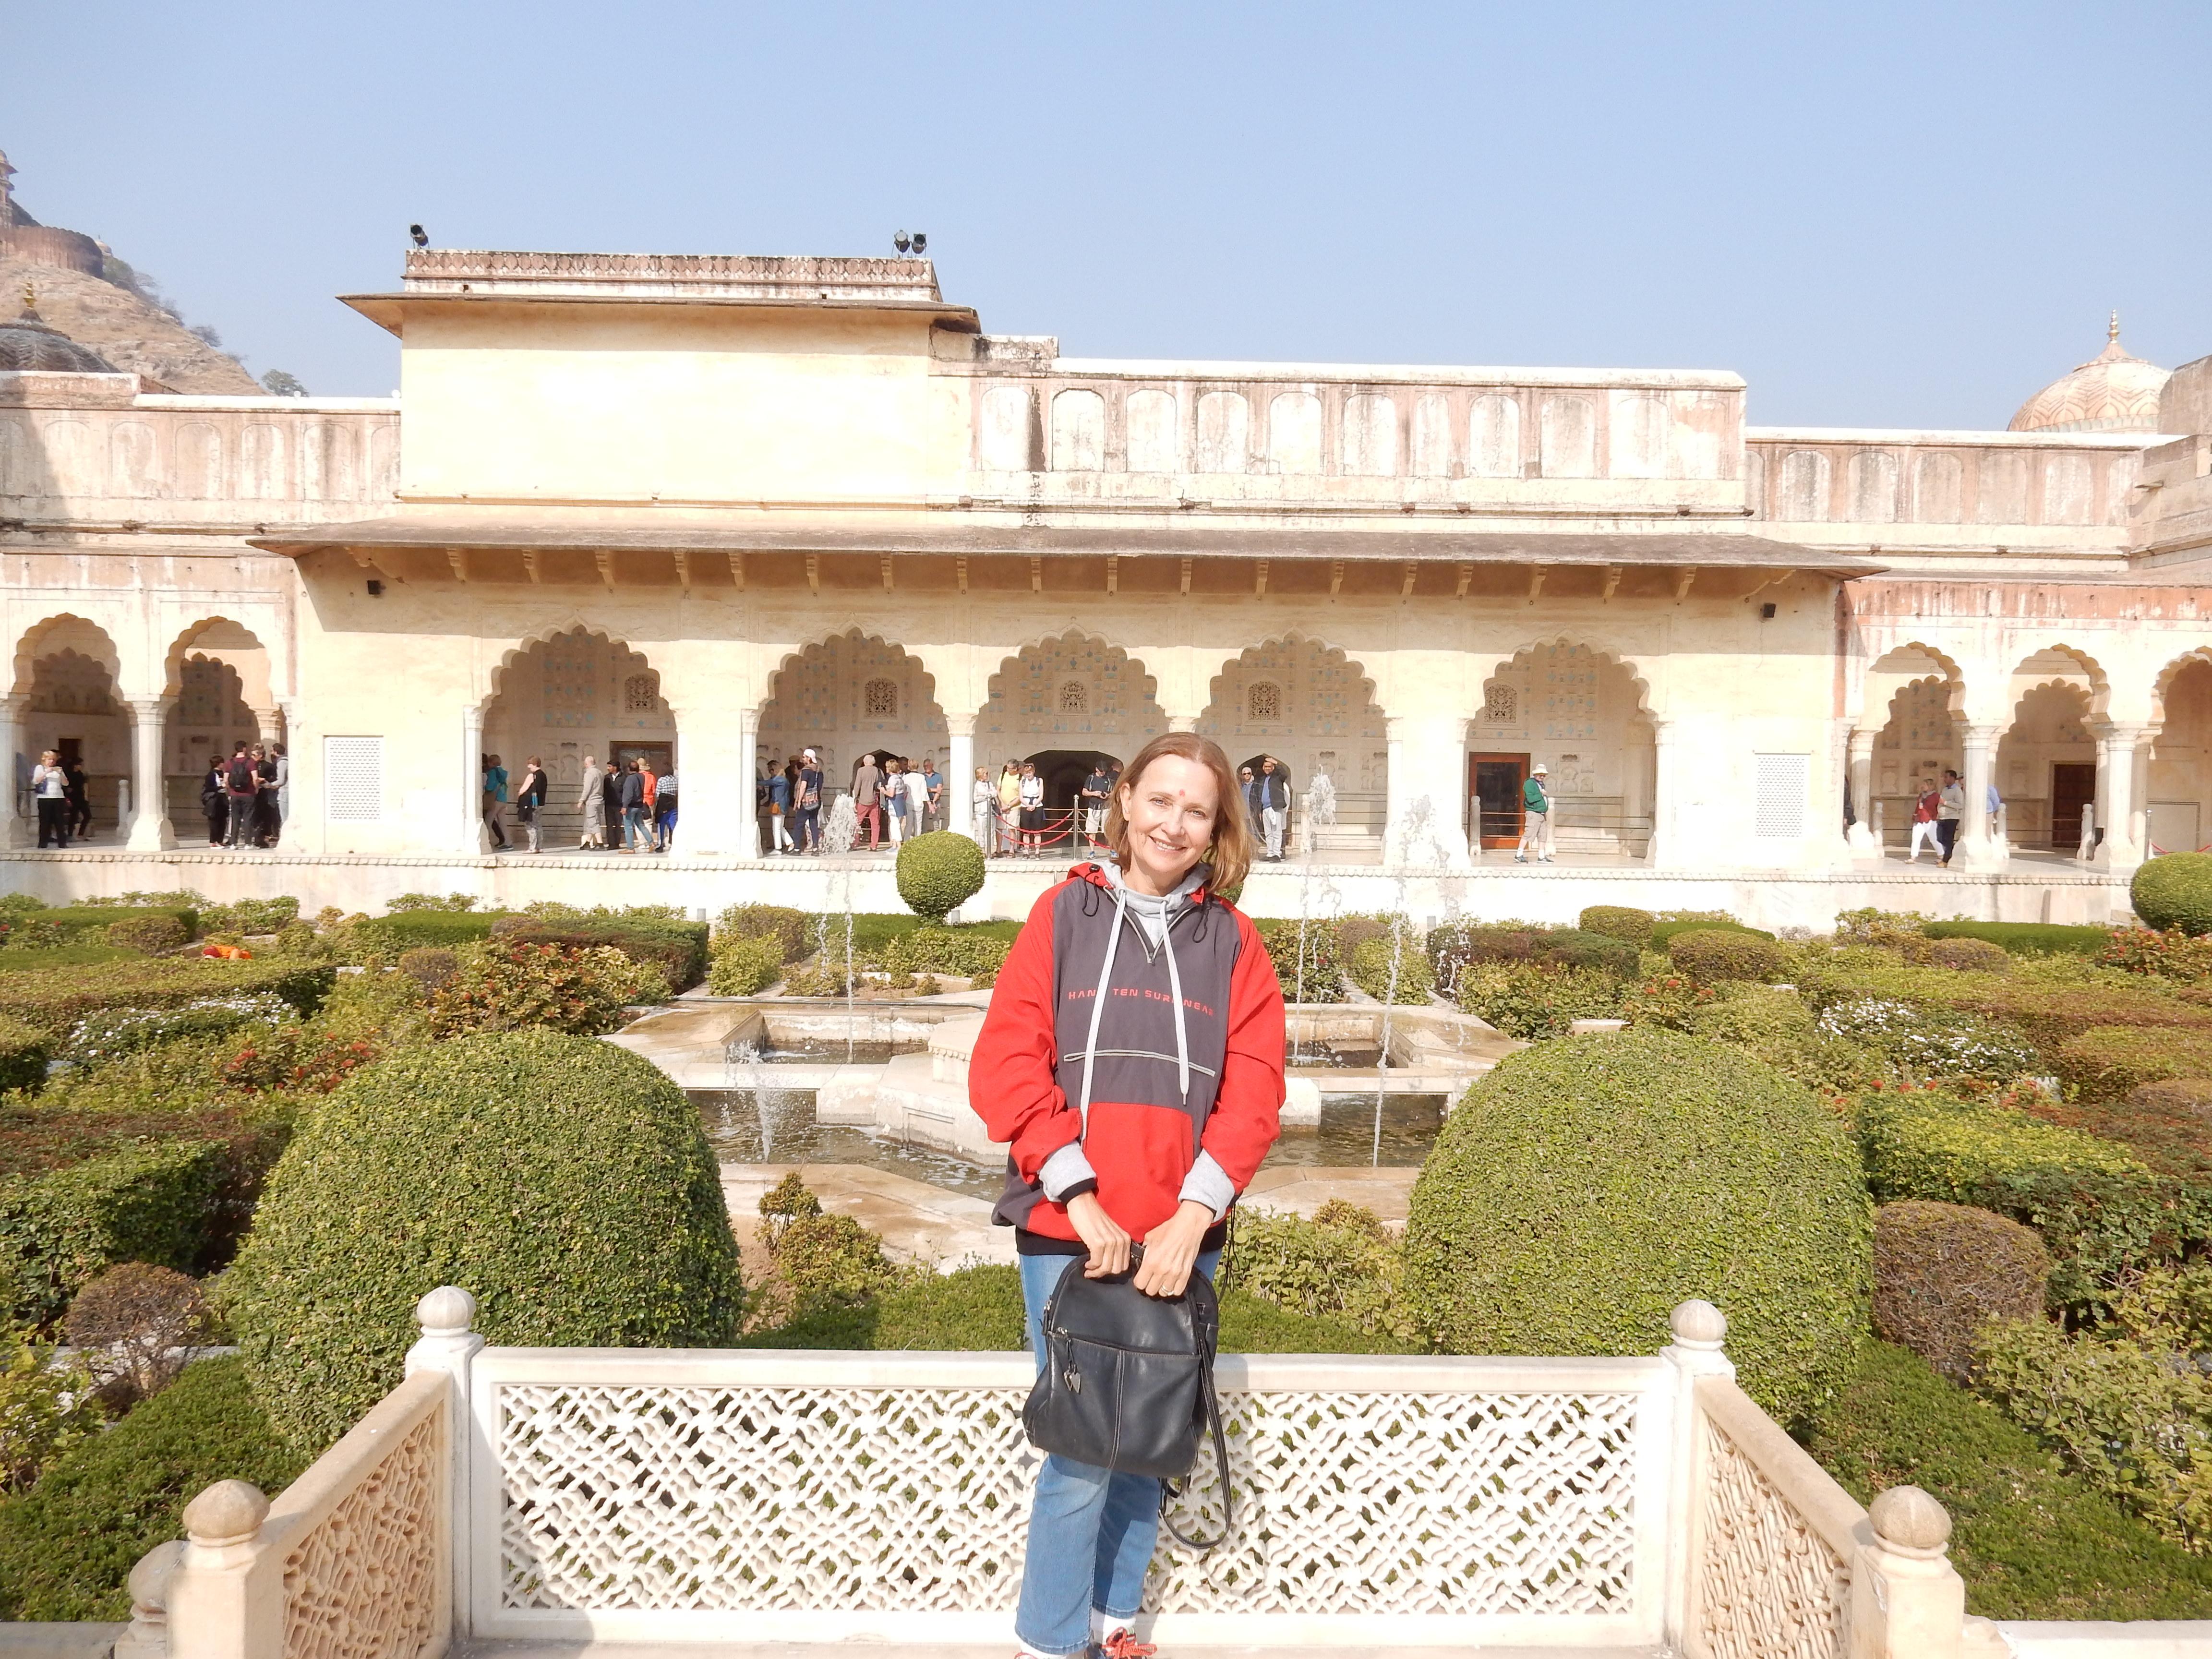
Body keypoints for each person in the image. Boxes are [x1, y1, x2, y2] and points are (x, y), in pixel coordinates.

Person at [967, 731, 1284, 1659]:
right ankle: (1046, 1642)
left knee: (1148, 1441)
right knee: (1078, 1452)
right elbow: (1007, 1062)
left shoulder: (1234, 943)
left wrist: (1191, 1215)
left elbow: (1253, 1091)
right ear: (1126, 802)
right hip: (1070, 1230)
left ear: (1217, 829)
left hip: (1180, 1237)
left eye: (1196, 811)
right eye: (1160, 800)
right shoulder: (1064, 915)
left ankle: (1113, 1628)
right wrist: (1076, 1195)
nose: (1173, 824)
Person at [31, 750, 69, 849]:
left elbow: (66, 783)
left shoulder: (58, 769)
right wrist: (47, 772)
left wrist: (61, 774)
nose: (51, 761)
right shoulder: (40, 768)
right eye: (49, 759)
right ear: (44, 759)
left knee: (60, 821)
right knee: (45, 821)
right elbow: (36, 781)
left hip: (58, 797)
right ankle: (43, 843)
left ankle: (62, 843)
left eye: (53, 759)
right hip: (45, 798)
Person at [1254, 756, 1290, 862]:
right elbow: (1259, 795)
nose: (1267, 768)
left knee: (1276, 832)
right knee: (1268, 833)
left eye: (1269, 767)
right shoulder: (1263, 780)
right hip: (1265, 809)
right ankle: (1270, 853)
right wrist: (1260, 810)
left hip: (1275, 808)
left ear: (1273, 768)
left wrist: (1276, 763)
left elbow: (1284, 774)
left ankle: (1277, 854)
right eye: (1266, 767)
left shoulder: (1277, 778)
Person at [224, 745, 259, 848]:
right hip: (248, 794)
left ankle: (233, 843)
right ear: (244, 749)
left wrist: (230, 791)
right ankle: (248, 843)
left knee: (235, 819)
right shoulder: (251, 762)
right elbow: (255, 778)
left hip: (234, 795)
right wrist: (256, 789)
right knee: (248, 818)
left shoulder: (229, 762)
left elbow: (226, 780)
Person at [1516, 764, 1551, 863]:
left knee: (1543, 835)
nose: (1542, 777)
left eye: (1544, 776)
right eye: (1541, 775)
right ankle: (1519, 854)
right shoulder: (1529, 783)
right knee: (1529, 834)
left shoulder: (1541, 784)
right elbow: (1530, 798)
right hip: (1534, 813)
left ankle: (1541, 856)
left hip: (1542, 814)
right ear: (1536, 774)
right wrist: (1541, 794)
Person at [792, 749, 823, 854]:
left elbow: (803, 786)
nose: (803, 759)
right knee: (814, 824)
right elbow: (820, 786)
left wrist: (799, 801)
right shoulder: (819, 770)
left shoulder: (806, 770)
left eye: (804, 757)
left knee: (799, 824)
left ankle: (797, 849)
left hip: (806, 801)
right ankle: (816, 848)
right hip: (816, 801)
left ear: (809, 758)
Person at [516, 756, 548, 854]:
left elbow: (523, 789)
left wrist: (520, 794)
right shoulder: (543, 775)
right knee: (538, 824)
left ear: (535, 764)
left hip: (532, 804)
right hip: (540, 803)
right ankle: (539, 847)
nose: (528, 767)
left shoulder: (532, 776)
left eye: (530, 764)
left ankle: (532, 847)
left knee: (530, 824)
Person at [1079, 759, 1113, 851]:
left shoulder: (1108, 779)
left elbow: (1114, 792)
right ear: (1097, 769)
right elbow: (1084, 792)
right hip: (1094, 807)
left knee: (1108, 830)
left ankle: (1112, 849)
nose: (1103, 773)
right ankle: (1092, 851)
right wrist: (1095, 793)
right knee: (1092, 830)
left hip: (1106, 807)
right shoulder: (1091, 778)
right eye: (1101, 771)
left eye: (1104, 771)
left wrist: (1108, 795)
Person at [1906, 778, 1940, 863]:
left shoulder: (1936, 796)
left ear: (1930, 786)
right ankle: (1913, 857)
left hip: (1930, 820)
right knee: (1916, 839)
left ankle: (1941, 855)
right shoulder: (1922, 796)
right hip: (1919, 820)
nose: (1923, 786)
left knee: (1934, 839)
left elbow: (1937, 808)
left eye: (1925, 785)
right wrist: (1915, 815)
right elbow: (1918, 807)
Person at [853, 752, 883, 849]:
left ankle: (855, 843)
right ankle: (874, 845)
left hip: (863, 800)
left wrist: (854, 800)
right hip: (874, 800)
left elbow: (857, 786)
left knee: (857, 822)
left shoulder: (861, 771)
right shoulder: (878, 771)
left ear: (865, 762)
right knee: (875, 823)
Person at [1936, 769, 1965, 866]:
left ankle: (1946, 860)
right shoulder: (1945, 789)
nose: (1945, 779)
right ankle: (1952, 851)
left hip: (1952, 818)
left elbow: (1960, 805)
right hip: (1942, 818)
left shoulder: (1957, 790)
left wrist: (1946, 803)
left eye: (1946, 777)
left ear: (1952, 778)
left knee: (1948, 839)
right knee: (1940, 838)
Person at [619, 759, 648, 851]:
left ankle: (630, 848)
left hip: (631, 806)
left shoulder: (630, 779)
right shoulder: (642, 777)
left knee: (628, 827)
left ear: (629, 769)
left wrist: (625, 806)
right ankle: (651, 843)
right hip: (639, 805)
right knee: (641, 825)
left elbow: (629, 794)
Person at [577, 755, 606, 849]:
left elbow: (587, 789)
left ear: (586, 764)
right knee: (592, 821)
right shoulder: (600, 773)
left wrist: (581, 800)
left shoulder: (589, 774)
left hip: (592, 801)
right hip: (599, 800)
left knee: (593, 822)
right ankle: (588, 842)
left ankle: (600, 843)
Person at [482, 754, 510, 851]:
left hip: (495, 800)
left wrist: (485, 787)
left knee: (487, 822)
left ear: (491, 763)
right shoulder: (503, 772)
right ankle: (508, 843)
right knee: (503, 823)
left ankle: (484, 842)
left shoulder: (493, 772)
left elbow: (490, 787)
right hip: (503, 799)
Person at [996, 759, 1023, 857]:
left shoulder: (1020, 778)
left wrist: (1009, 806)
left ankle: (1012, 850)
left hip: (1014, 807)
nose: (1008, 770)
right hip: (1002, 806)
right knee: (999, 828)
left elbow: (1020, 796)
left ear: (1016, 769)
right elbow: (998, 790)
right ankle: (998, 850)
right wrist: (1002, 803)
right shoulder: (1003, 775)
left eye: (1011, 769)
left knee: (1012, 829)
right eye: (1007, 768)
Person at [1018, 760, 1046, 855]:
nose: (1028, 775)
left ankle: (1037, 851)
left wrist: (1034, 805)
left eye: (1030, 773)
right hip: (1025, 806)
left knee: (1037, 831)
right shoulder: (1022, 782)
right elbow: (1021, 797)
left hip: (1037, 806)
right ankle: (1027, 850)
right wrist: (1027, 805)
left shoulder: (1039, 781)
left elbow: (1041, 796)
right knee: (1026, 831)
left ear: (1033, 772)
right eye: (1026, 773)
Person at [200, 758, 228, 847]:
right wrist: (220, 787)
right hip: (215, 799)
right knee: (214, 821)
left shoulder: (223, 773)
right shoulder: (211, 774)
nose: (223, 764)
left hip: (222, 798)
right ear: (218, 764)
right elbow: (209, 788)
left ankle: (220, 840)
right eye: (222, 763)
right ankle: (214, 841)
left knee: (223, 821)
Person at [63, 755, 92, 841]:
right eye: (80, 765)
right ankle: (70, 835)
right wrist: (67, 799)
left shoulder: (81, 774)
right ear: (75, 765)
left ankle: (81, 834)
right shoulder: (68, 775)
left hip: (81, 797)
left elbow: (84, 785)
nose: (81, 766)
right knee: (73, 817)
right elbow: (66, 788)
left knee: (88, 815)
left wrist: (86, 797)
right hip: (73, 798)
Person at [767, 760, 793, 853]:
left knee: (776, 828)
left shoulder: (778, 780)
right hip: (783, 806)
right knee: (781, 827)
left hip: (778, 806)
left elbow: (767, 784)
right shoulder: (783, 779)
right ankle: (790, 843)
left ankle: (778, 848)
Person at [599, 761, 623, 852]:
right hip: (609, 805)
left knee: (618, 825)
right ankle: (611, 844)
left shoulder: (623, 778)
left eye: (610, 766)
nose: (608, 768)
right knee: (609, 825)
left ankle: (617, 843)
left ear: (615, 768)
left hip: (619, 805)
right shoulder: (606, 778)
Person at [883, 759, 908, 846]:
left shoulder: (892, 779)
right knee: (897, 824)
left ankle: (898, 845)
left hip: (895, 803)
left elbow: (891, 794)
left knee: (894, 825)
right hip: (900, 803)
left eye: (887, 767)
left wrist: (884, 791)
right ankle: (895, 845)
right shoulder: (900, 778)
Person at [972, 766, 996, 852]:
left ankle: (990, 849)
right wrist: (987, 795)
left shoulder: (990, 784)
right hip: (981, 812)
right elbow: (976, 799)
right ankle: (982, 849)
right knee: (981, 831)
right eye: (986, 774)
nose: (987, 775)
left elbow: (995, 793)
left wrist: (986, 794)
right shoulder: (977, 785)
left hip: (990, 811)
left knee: (991, 831)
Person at [656, 765, 678, 851]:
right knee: (673, 825)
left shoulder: (662, 780)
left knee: (662, 825)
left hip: (663, 805)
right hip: (673, 804)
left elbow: (658, 794)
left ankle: (661, 844)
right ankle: (674, 843)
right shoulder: (676, 780)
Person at [905, 757, 926, 841]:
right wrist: (928, 802)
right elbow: (924, 791)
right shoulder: (921, 777)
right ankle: (917, 842)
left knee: (909, 824)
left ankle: (906, 841)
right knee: (918, 824)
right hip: (919, 803)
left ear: (909, 767)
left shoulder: (905, 777)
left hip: (908, 802)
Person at [272, 744, 290, 841]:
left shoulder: (282, 763)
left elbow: (281, 780)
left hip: (285, 792)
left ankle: (285, 839)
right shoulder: (288, 760)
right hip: (288, 791)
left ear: (276, 752)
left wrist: (269, 785)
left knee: (285, 818)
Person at [922, 756, 943, 832]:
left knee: (936, 820)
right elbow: (923, 790)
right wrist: (934, 790)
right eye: (925, 766)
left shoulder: (939, 776)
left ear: (932, 765)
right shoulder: (922, 777)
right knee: (924, 821)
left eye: (927, 766)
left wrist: (934, 801)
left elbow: (939, 790)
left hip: (936, 800)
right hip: (925, 801)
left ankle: (936, 835)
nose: (926, 767)